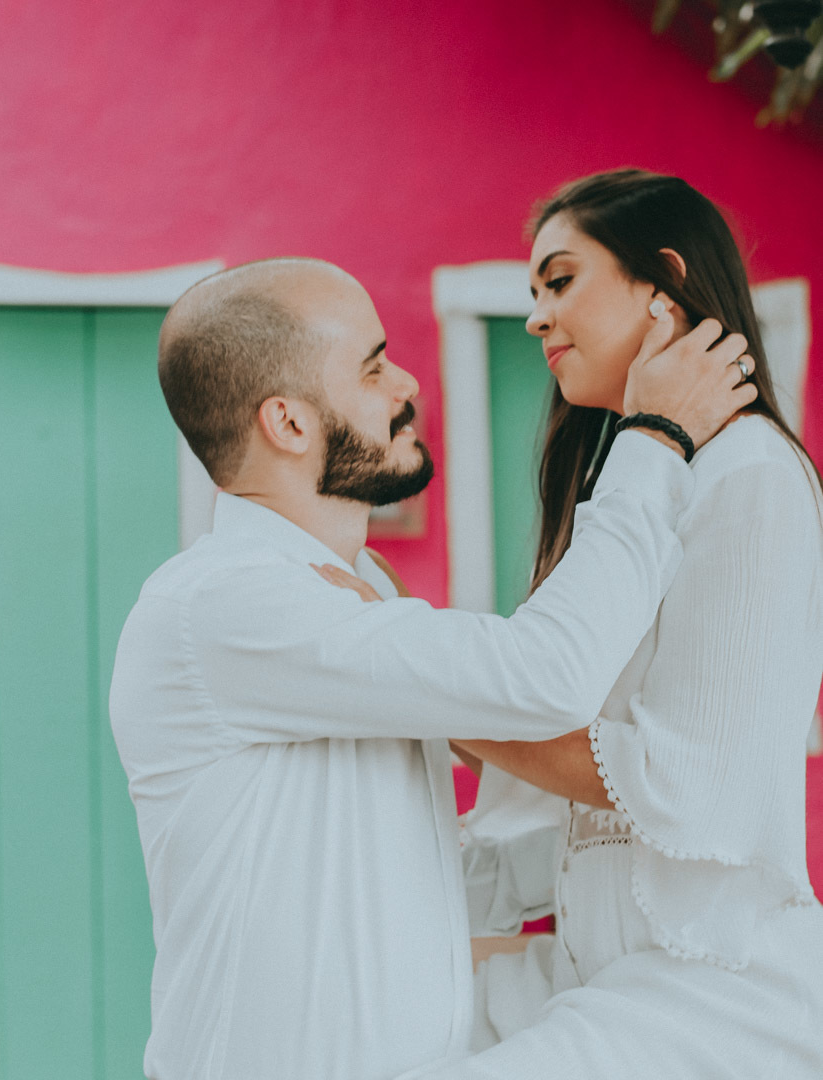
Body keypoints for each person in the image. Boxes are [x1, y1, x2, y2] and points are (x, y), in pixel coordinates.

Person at [109, 253, 753, 1080]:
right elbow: (545, 677)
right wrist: (656, 439)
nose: (405, 383)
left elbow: (394, 881)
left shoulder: (356, 589)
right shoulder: (223, 604)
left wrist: (645, 858)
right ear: (290, 424)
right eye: (372, 366)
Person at [330, 169, 822, 1080]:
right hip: (596, 970)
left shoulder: (749, 475)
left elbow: (690, 780)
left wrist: (407, 671)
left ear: (661, 282)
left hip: (711, 987)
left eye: (559, 281)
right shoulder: (645, 481)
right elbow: (549, 750)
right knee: (347, 1034)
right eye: (531, 293)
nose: (535, 317)